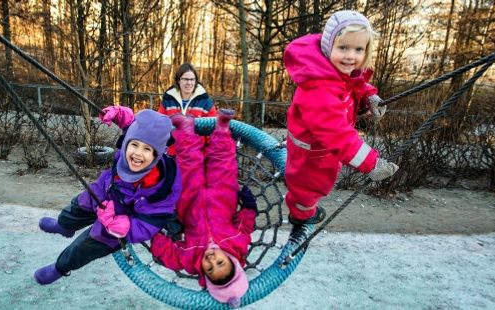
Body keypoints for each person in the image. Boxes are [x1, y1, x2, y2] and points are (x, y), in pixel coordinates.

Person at [34, 108, 182, 285]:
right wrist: (118, 113)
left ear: (157, 154)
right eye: (134, 145)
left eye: (147, 149)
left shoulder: (162, 186)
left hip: (119, 217)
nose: (137, 153)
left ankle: (61, 267)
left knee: (89, 243)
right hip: (105, 190)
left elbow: (153, 220)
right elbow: (129, 124)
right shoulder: (131, 139)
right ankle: (64, 226)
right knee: (79, 205)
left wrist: (127, 227)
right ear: (127, 142)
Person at [282, 10, 399, 229]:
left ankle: (306, 206)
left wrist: (368, 95)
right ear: (328, 48)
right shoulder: (318, 89)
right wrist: (371, 163)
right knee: (310, 187)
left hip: (325, 149)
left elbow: (352, 85)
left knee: (323, 181)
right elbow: (337, 134)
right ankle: (301, 214)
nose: (350, 56)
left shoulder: (338, 72)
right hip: (312, 153)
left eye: (358, 49)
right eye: (343, 48)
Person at [150, 109, 257, 308]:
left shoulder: (191, 259)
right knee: (223, 163)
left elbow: (169, 254)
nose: (211, 260)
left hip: (189, 203)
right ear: (232, 261)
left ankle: (186, 128)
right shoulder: (237, 245)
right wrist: (249, 208)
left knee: (188, 164)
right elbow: (245, 226)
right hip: (223, 198)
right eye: (220, 263)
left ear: (204, 273)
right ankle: (222, 128)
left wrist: (155, 231)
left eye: (209, 269)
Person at [158, 63, 217, 155]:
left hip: (196, 154)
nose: (189, 83)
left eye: (192, 79)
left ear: (195, 81)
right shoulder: (168, 99)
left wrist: (209, 154)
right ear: (178, 80)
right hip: (172, 152)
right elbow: (160, 124)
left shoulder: (205, 101)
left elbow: (213, 129)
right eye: (185, 79)